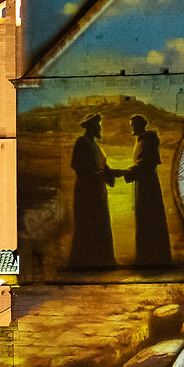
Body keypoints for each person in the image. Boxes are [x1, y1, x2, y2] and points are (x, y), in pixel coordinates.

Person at [68, 114, 121, 268]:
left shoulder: (96, 146)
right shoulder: (82, 143)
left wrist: (112, 172)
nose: (100, 128)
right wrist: (103, 174)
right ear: (91, 127)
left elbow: (104, 167)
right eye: (98, 126)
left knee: (100, 225)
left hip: (98, 192)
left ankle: (103, 261)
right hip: (87, 194)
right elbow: (79, 168)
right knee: (88, 225)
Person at [124, 115, 172, 264]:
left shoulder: (148, 140)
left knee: (150, 217)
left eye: (133, 125)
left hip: (148, 186)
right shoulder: (141, 141)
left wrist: (123, 172)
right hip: (143, 184)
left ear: (140, 125)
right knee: (143, 217)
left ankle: (154, 257)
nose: (131, 128)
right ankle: (146, 255)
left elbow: (145, 163)